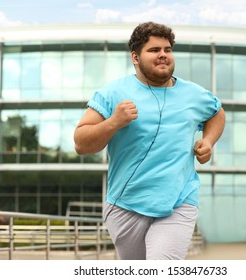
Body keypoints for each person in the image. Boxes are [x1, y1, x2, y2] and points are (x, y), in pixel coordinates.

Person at [74, 21, 225, 260]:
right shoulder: (112, 93)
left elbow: (217, 113)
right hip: (126, 203)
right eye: (154, 50)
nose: (163, 55)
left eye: (167, 49)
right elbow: (81, 143)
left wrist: (208, 141)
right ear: (135, 57)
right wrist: (113, 122)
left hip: (180, 200)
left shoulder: (195, 94)